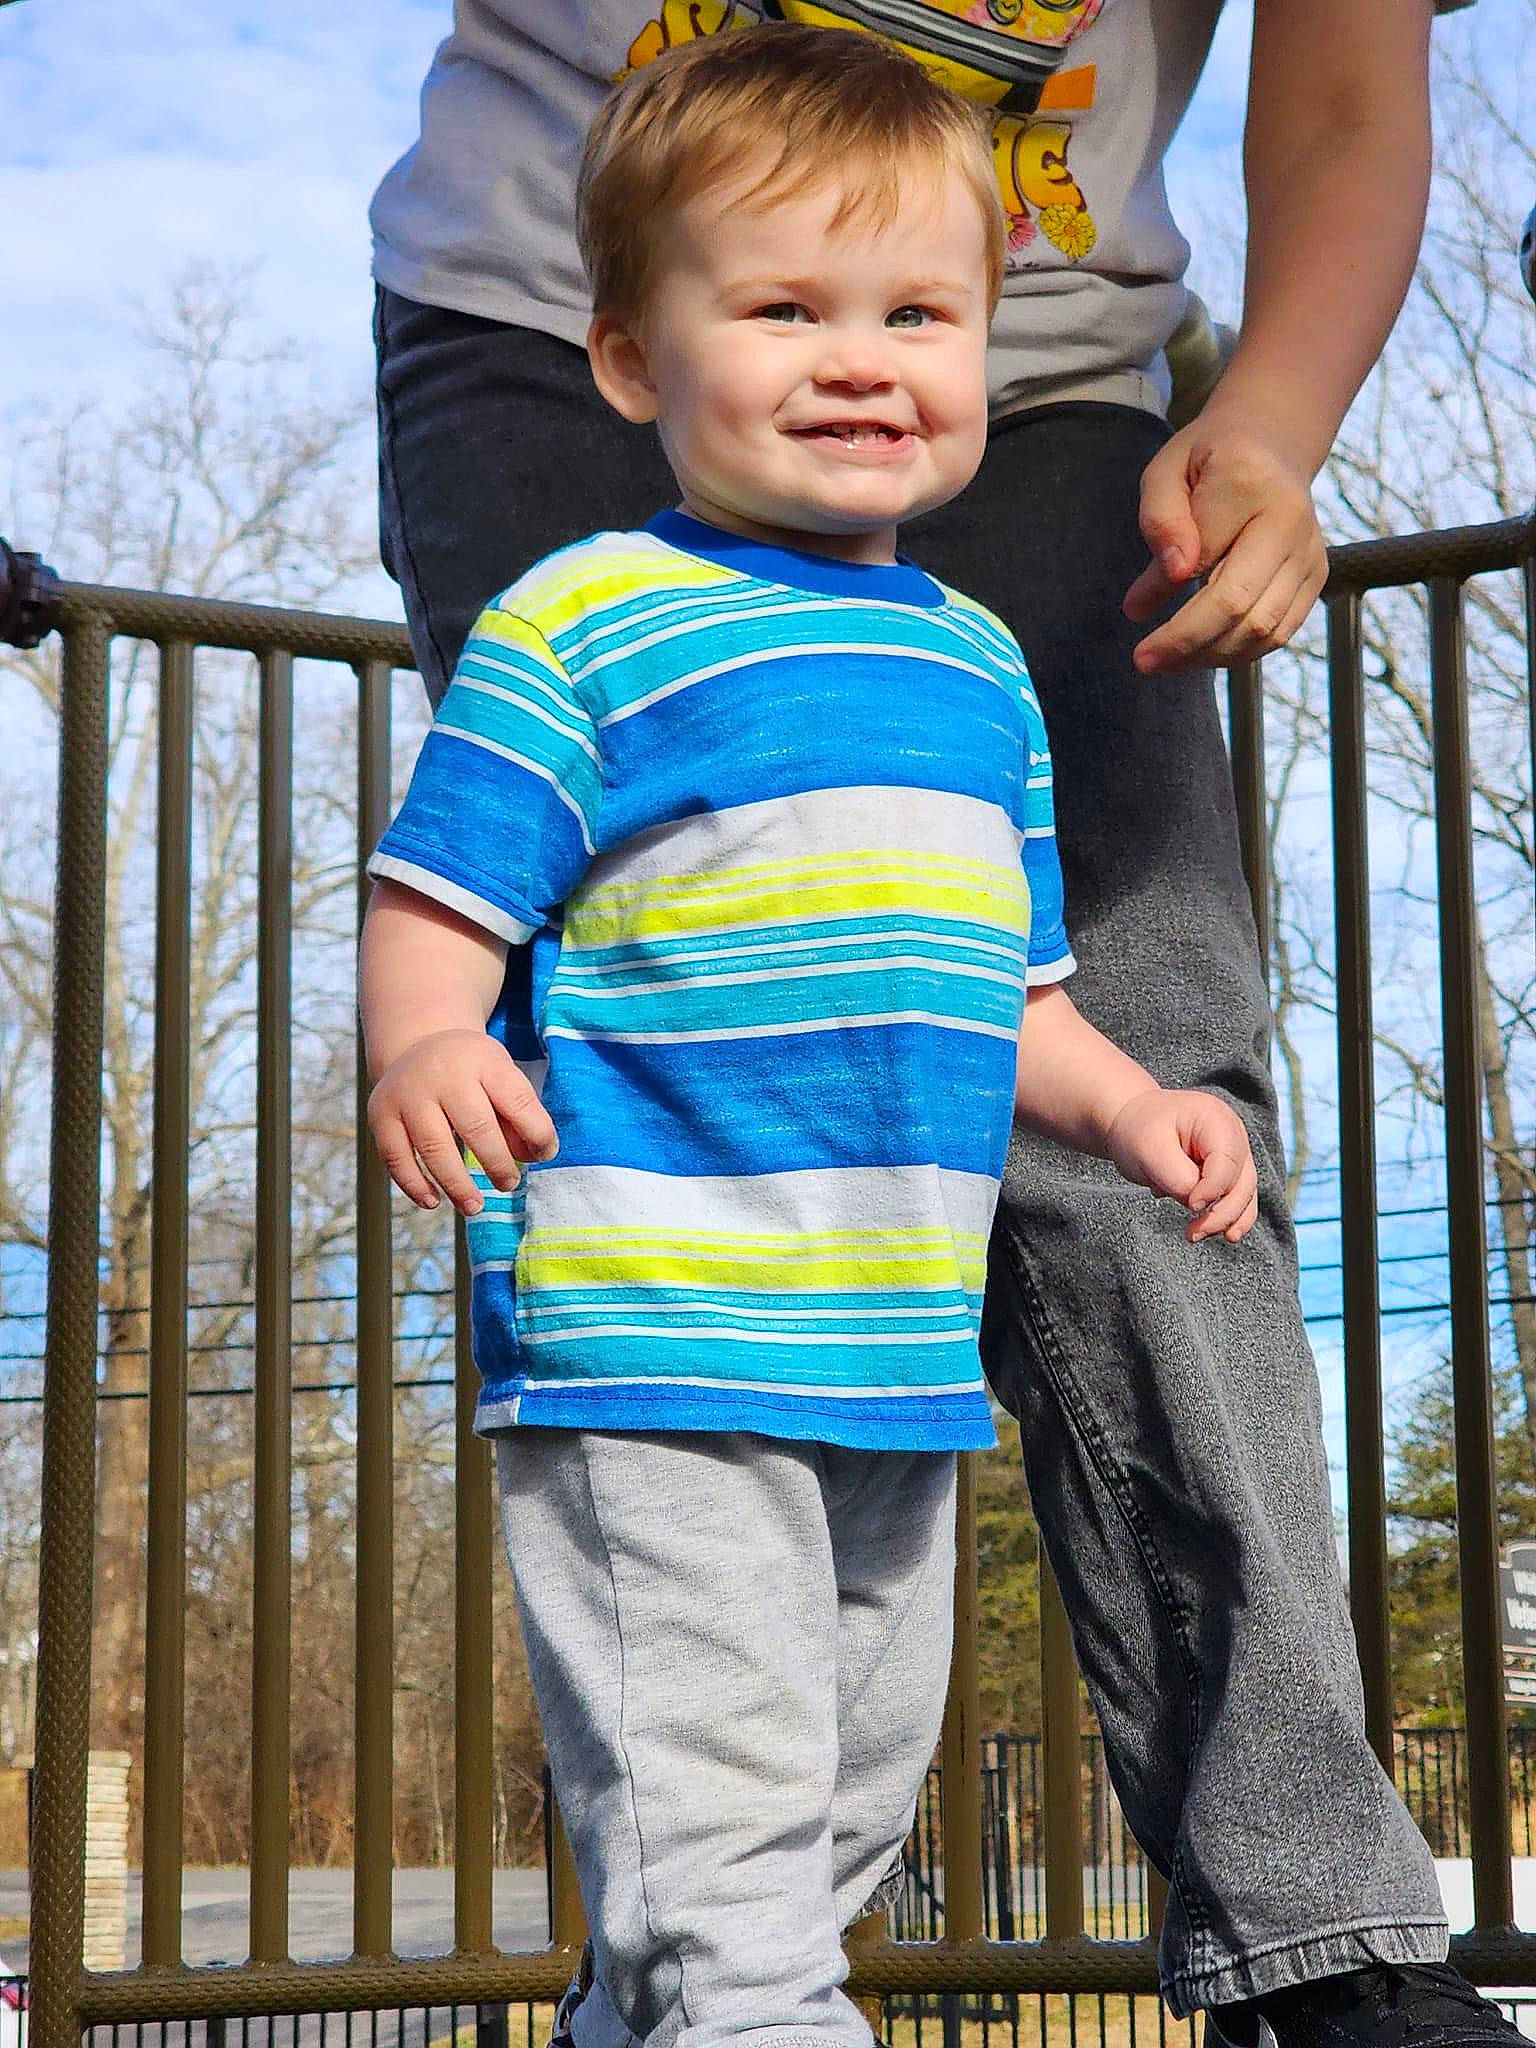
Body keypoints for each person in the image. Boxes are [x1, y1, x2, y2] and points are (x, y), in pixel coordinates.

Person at [368, 4, 1523, 2046]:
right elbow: (453, 882)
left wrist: (1131, 1102)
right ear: (635, 360)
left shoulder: (979, 662)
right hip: (660, 1336)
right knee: (727, 1844)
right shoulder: (587, 623)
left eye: (913, 315)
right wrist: (429, 1041)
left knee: (824, 1798)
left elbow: (1014, 975)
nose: (856, 355)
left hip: (885, 1377)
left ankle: (707, 2004)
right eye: (797, 310)